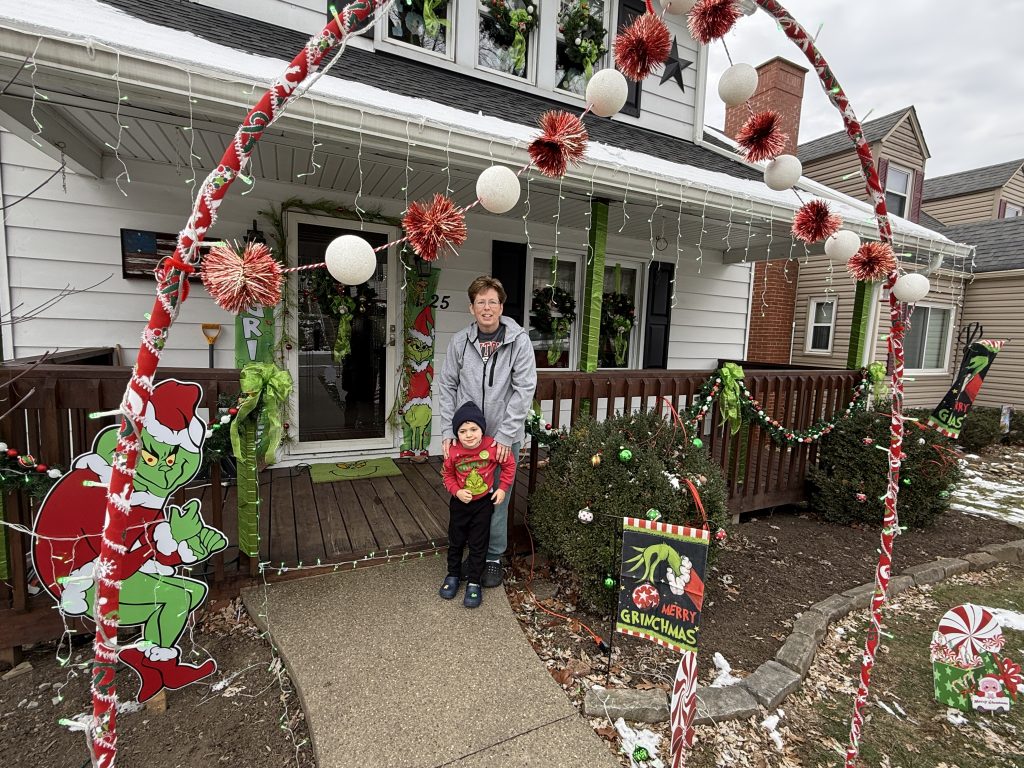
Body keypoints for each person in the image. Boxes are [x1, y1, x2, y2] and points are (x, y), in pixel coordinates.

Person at [438, 275, 537, 588]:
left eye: (492, 301)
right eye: (480, 302)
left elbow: (525, 388)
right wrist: (448, 430)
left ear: (501, 306)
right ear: (471, 308)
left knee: (496, 497)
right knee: (467, 494)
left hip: (502, 437)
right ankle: (473, 553)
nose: (486, 307)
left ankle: (492, 557)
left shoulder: (518, 341)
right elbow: (447, 385)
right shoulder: (460, 342)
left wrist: (506, 434)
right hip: (468, 437)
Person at [439, 401, 517, 608]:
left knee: (478, 543)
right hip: (460, 505)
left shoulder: (492, 446)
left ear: (482, 429)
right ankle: (453, 575)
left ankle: (474, 581)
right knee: (456, 541)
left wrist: (502, 488)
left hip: (483, 504)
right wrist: (456, 491)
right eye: (462, 431)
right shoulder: (453, 451)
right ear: (456, 433)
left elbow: (509, 465)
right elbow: (447, 475)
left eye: (474, 429)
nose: (469, 435)